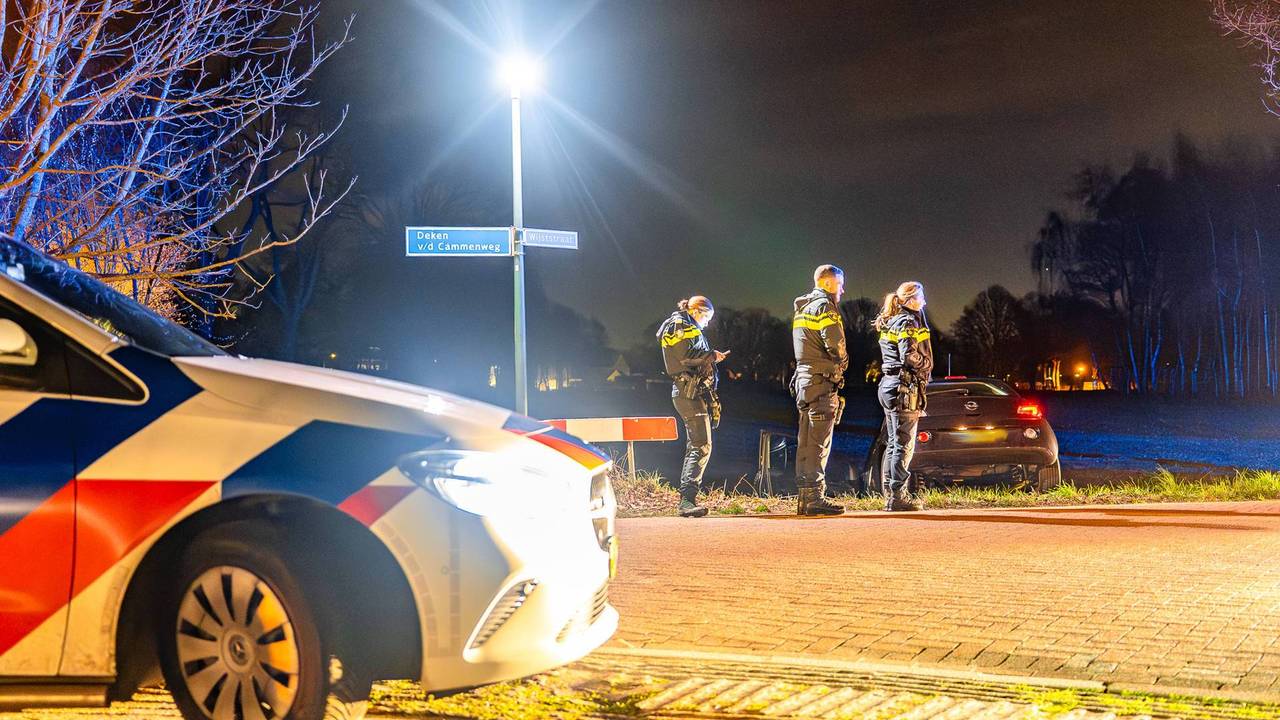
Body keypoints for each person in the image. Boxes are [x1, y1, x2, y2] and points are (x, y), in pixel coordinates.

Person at [657, 296, 728, 518]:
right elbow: (686, 356)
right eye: (707, 317)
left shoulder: (686, 325)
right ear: (697, 311)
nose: (707, 322)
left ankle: (688, 499)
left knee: (699, 444)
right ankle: (686, 500)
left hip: (693, 392)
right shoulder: (680, 325)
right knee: (700, 445)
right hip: (687, 393)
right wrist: (712, 355)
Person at [791, 265, 847, 516]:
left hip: (804, 382)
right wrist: (843, 362)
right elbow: (835, 343)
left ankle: (805, 498)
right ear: (827, 284)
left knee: (806, 440)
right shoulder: (825, 307)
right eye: (840, 283)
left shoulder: (802, 307)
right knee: (819, 442)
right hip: (821, 381)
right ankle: (815, 498)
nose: (842, 289)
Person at [874, 281, 934, 511]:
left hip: (889, 385)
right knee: (903, 445)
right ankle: (898, 496)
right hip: (903, 388)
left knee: (893, 443)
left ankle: (891, 494)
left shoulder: (891, 320)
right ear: (910, 300)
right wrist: (925, 363)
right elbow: (909, 355)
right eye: (921, 297)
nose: (925, 302)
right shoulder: (908, 322)